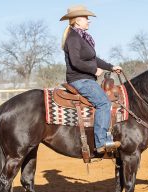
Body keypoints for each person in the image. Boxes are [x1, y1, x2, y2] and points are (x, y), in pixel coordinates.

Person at [60, 5, 122, 154]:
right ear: (77, 21)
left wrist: (111, 67)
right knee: (103, 103)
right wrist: (94, 70)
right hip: (80, 80)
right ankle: (101, 143)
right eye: (85, 18)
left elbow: (94, 58)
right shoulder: (73, 38)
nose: (89, 21)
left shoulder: (81, 37)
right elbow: (76, 62)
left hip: (86, 79)